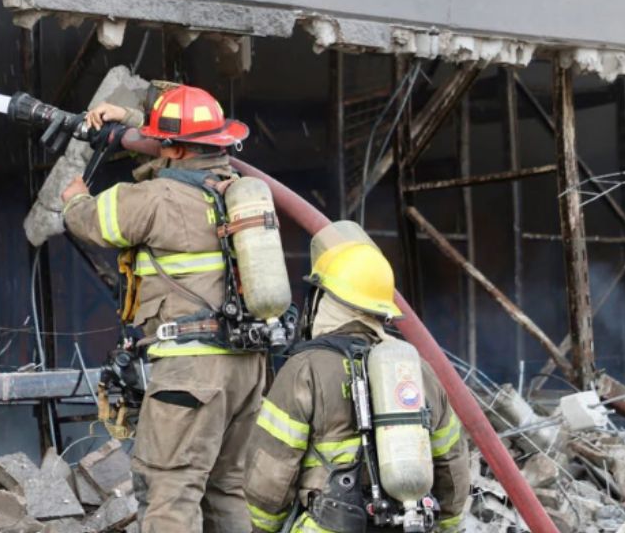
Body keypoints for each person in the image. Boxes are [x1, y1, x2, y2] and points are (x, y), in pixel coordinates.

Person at [61, 84, 263, 533]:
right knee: (224, 489)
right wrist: (132, 122)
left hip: (192, 371)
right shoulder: (236, 192)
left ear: (171, 149)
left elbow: (87, 220)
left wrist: (73, 195)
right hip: (246, 368)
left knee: (169, 491)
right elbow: (180, 141)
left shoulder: (157, 200)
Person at [242, 222, 469, 533]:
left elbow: (270, 472)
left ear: (325, 299)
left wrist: (262, 528)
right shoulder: (415, 371)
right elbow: (452, 462)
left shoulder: (304, 369)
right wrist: (448, 526)